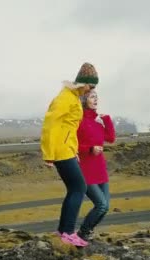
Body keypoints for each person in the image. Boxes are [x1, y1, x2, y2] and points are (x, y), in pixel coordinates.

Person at [40, 62, 99, 247]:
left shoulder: (73, 97)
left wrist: (74, 151)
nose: (91, 90)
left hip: (66, 150)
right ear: (83, 82)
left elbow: (69, 129)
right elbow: (51, 125)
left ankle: (63, 230)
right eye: (91, 86)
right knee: (79, 188)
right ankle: (68, 232)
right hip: (60, 151)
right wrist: (48, 154)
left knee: (75, 189)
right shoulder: (65, 97)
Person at [75, 89, 115, 241]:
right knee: (101, 205)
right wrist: (90, 149)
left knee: (105, 208)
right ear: (84, 100)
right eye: (92, 97)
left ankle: (88, 231)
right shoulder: (79, 120)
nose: (96, 99)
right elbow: (73, 145)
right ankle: (83, 232)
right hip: (86, 170)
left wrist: (107, 120)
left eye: (97, 97)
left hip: (100, 170)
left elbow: (110, 138)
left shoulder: (98, 122)